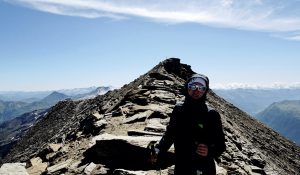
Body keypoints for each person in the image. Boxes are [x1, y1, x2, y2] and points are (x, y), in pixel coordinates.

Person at [150, 73, 226, 175]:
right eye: (193, 86)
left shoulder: (211, 114)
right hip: (182, 164)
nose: (196, 90)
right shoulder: (178, 109)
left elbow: (221, 145)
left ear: (205, 90)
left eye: (201, 88)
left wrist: (210, 151)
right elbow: (170, 134)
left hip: (203, 166)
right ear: (187, 87)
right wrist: (159, 149)